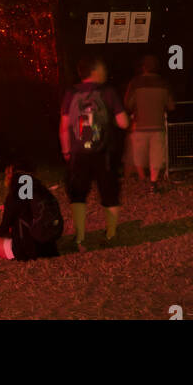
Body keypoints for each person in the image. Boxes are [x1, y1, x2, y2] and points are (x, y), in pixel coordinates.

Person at [60, 55, 129, 251]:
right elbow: (123, 123)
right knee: (109, 193)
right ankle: (111, 234)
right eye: (103, 69)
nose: (105, 73)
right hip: (104, 153)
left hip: (78, 153)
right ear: (95, 71)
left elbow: (64, 126)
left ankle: (80, 237)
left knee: (78, 194)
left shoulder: (71, 92)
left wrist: (66, 151)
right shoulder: (108, 92)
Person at [0, 160, 62, 261]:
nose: (6, 177)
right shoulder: (41, 189)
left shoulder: (15, 194)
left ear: (13, 175)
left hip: (25, 250)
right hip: (49, 248)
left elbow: (3, 229)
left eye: (8, 173)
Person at [124, 55, 174, 192]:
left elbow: (128, 104)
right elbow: (171, 106)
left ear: (143, 67)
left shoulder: (135, 83)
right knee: (156, 156)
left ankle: (141, 179)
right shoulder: (164, 83)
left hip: (140, 125)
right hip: (158, 125)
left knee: (139, 153)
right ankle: (153, 182)